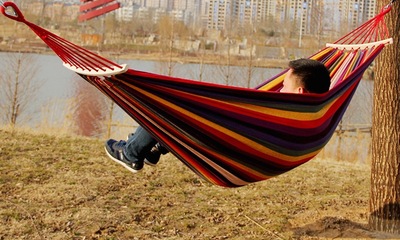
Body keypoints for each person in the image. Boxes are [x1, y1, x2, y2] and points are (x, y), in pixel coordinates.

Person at [104, 58, 331, 174]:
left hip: (230, 147)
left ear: (299, 92)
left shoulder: (284, 113)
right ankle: (155, 147)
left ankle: (132, 152)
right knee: (178, 108)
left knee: (167, 103)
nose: (279, 90)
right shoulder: (309, 119)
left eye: (284, 86)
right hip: (238, 144)